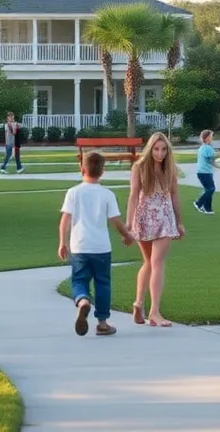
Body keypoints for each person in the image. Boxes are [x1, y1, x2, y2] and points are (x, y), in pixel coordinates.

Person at [58, 151, 135, 336]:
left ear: (82, 168)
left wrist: (62, 242)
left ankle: (83, 300)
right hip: (101, 247)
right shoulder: (107, 194)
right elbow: (116, 220)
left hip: (79, 246)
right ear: (103, 171)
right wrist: (127, 235)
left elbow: (65, 221)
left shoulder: (73, 192)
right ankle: (102, 322)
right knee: (103, 283)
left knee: (79, 279)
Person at [127, 131, 185, 327]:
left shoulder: (170, 169)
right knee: (149, 263)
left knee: (157, 261)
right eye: (156, 149)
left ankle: (154, 311)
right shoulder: (140, 167)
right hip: (143, 218)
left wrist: (178, 222)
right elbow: (133, 196)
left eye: (163, 150)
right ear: (150, 149)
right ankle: (138, 303)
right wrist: (128, 224)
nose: (160, 154)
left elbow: (175, 195)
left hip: (165, 218)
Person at [193, 129, 220, 215]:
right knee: (211, 189)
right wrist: (218, 155)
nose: (212, 138)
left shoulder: (203, 147)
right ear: (207, 138)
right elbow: (211, 161)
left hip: (202, 172)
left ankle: (208, 209)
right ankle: (199, 203)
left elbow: (210, 160)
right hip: (205, 172)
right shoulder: (208, 148)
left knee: (208, 189)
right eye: (211, 136)